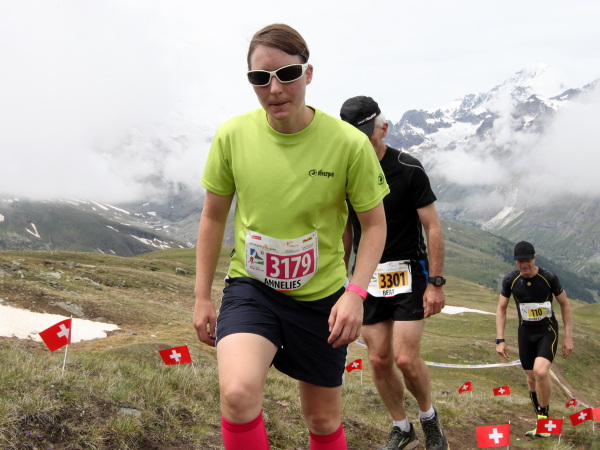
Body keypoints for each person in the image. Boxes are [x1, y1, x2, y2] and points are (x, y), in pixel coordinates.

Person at [192, 25, 389, 450]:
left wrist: (355, 294)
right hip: (253, 288)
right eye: (260, 78)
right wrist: (202, 296)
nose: (275, 89)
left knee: (322, 419)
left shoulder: (348, 144)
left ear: (308, 73)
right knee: (237, 394)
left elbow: (375, 225)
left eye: (287, 74)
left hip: (323, 300)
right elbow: (212, 216)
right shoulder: (232, 135)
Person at [340, 96, 448, 450]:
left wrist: (435, 283)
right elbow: (346, 229)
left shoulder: (408, 167)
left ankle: (429, 418)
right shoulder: (347, 170)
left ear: (382, 129)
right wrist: (342, 280)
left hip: (408, 272)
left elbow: (432, 227)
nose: (360, 142)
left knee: (404, 357)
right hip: (367, 276)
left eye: (366, 134)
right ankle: (402, 428)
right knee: (378, 359)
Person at [496, 241, 574, 438]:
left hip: (547, 331)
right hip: (525, 333)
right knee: (531, 377)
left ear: (535, 258)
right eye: (520, 262)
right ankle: (540, 422)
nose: (524, 265)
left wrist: (568, 337)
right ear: (515, 262)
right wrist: (500, 339)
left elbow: (565, 304)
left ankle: (544, 423)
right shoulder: (510, 280)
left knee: (540, 371)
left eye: (527, 261)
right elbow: (501, 308)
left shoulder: (548, 277)